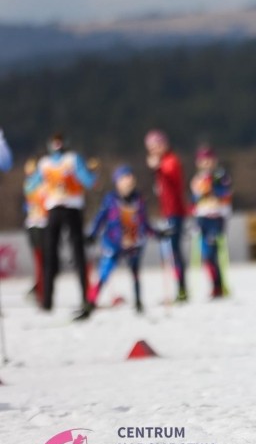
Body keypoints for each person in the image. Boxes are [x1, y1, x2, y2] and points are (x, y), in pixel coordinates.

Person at [77, 165, 160, 318]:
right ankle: (90, 304)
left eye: (129, 177)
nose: (128, 181)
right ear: (117, 182)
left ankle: (138, 303)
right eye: (124, 178)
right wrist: (92, 234)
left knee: (135, 272)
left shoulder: (139, 200)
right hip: (113, 243)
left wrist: (158, 233)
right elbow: (100, 218)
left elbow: (145, 223)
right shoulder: (111, 199)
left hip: (134, 243)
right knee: (104, 273)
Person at [30, 134, 95, 312]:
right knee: (55, 255)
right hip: (58, 209)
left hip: (69, 208)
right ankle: (48, 300)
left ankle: (81, 298)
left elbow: (30, 185)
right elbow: (89, 181)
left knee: (74, 254)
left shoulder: (68, 160)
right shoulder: (51, 162)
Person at [145, 129, 189, 302]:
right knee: (171, 251)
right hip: (167, 212)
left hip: (175, 212)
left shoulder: (170, 161)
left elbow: (173, 178)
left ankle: (181, 288)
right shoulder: (163, 162)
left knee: (174, 251)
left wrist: (158, 167)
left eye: (156, 146)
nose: (153, 150)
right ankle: (179, 288)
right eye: (150, 148)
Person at [190, 145, 232, 299]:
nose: (206, 163)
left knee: (213, 251)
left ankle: (218, 286)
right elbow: (194, 200)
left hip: (216, 217)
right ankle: (215, 284)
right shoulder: (197, 179)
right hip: (202, 217)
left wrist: (214, 187)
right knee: (206, 255)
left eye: (209, 159)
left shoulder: (221, 176)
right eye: (203, 160)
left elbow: (226, 194)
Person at [23, 157, 48, 307]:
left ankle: (40, 288)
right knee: (40, 260)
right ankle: (39, 290)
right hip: (36, 224)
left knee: (43, 260)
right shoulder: (31, 183)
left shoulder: (40, 183)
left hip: (41, 224)